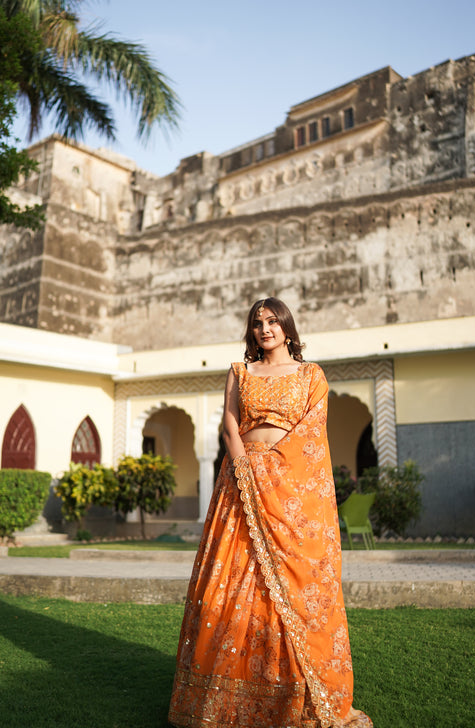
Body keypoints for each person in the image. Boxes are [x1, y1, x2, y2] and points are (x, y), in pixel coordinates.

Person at [168, 297, 372, 728]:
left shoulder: (311, 375)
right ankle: (225, 702)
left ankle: (294, 698)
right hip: (239, 484)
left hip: (289, 488)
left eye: (273, 321)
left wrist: (271, 470)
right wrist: (244, 466)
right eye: (257, 322)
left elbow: (312, 433)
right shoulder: (240, 372)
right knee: (232, 585)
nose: (265, 329)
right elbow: (229, 422)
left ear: (287, 327)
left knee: (292, 591)